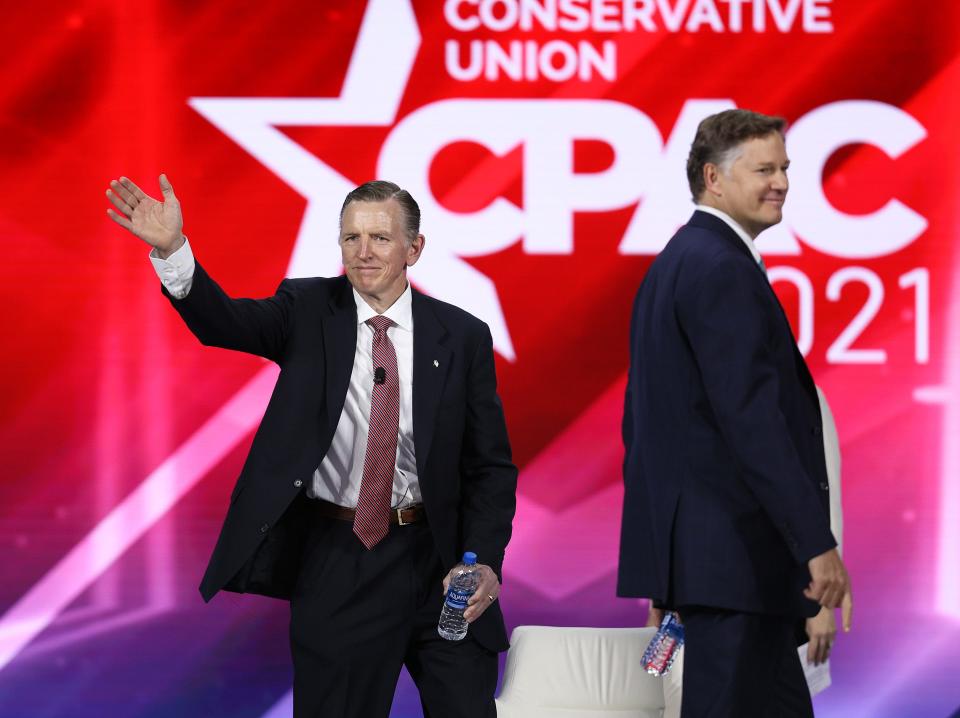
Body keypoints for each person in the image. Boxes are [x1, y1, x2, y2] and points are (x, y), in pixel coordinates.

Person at [105, 176, 518, 718]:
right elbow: (222, 322)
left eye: (380, 238)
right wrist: (172, 250)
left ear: (414, 248)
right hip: (339, 557)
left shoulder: (462, 336)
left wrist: (484, 559)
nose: (363, 252)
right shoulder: (305, 308)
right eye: (351, 238)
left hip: (441, 564)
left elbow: (490, 466)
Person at [617, 109, 853, 717]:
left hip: (725, 565)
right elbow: (753, 423)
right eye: (763, 169)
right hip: (733, 564)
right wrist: (815, 542)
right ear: (713, 179)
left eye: (784, 168)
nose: (780, 182)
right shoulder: (720, 267)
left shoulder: (680, 260)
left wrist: (663, 562)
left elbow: (641, 425)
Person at [647, 386, 852, 718]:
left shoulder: (796, 394)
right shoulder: (682, 395)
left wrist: (821, 606)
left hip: (771, 598)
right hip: (697, 598)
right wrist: (658, 593)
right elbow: (669, 502)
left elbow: (824, 499)